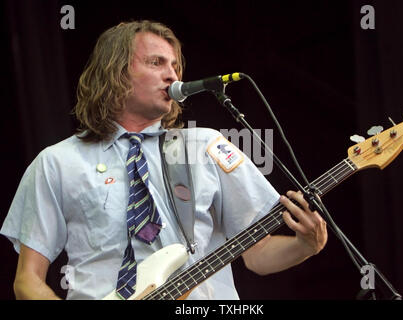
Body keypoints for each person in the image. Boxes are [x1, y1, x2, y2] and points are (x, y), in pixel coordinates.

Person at [0, 20, 327, 300]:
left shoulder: (205, 145)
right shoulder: (57, 162)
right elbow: (27, 280)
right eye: (156, 63)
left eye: (175, 66)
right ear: (115, 72)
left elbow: (258, 257)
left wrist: (305, 245)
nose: (172, 76)